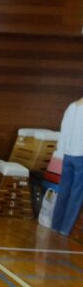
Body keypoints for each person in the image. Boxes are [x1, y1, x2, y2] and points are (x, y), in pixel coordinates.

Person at [51, 99, 83, 235]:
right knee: (76, 195)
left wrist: (60, 152)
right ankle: (65, 229)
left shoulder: (71, 107)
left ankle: (55, 225)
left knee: (64, 191)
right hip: (81, 155)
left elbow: (63, 131)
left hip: (67, 155)